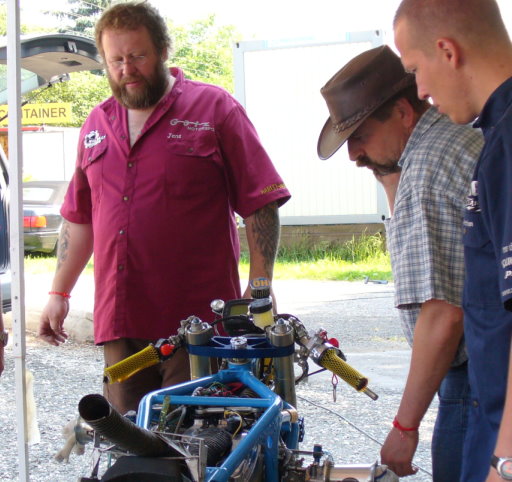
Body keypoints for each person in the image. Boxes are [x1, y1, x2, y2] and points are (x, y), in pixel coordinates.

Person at [37, 1, 290, 415]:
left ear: (162, 51)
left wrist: (260, 289)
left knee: (194, 442)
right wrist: (58, 292)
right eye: (115, 60)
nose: (126, 69)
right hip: (121, 327)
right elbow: (80, 218)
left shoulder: (215, 110)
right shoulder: (95, 125)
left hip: (196, 327)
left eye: (137, 56)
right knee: (130, 442)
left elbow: (261, 203)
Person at [317, 45, 483, 481]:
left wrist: (404, 428)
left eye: (360, 136)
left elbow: (444, 313)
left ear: (404, 114)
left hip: (475, 380)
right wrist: (386, 168)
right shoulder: (455, 137)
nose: (353, 154)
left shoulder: (426, 172)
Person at [394, 1, 512, 480]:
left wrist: (503, 463)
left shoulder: (506, 147)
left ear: (447, 51)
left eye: (415, 70)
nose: (421, 89)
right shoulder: (493, 138)